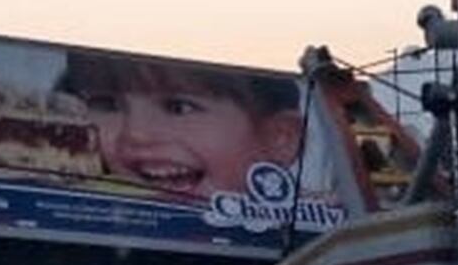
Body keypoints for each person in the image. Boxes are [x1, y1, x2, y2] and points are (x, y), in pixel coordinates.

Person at [58, 52, 303, 202]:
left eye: (178, 108)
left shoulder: (315, 234)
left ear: (279, 138)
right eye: (107, 104)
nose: (136, 133)